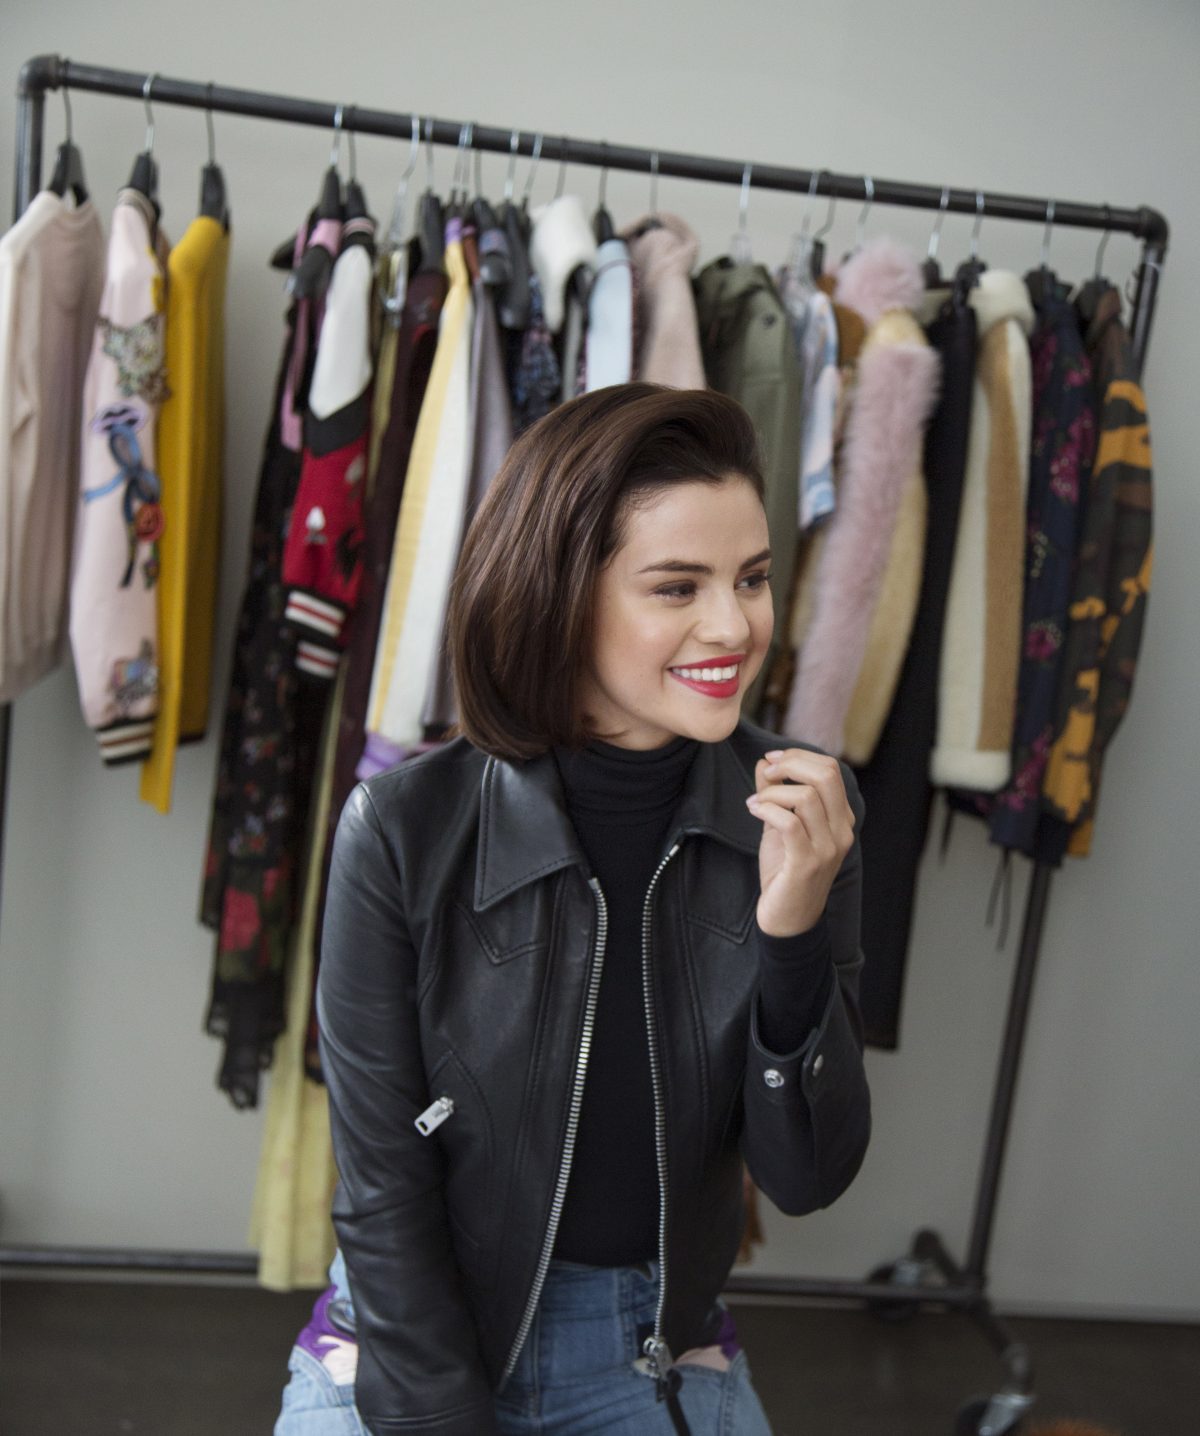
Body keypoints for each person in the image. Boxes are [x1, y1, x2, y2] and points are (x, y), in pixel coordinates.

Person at [275, 383, 871, 1435]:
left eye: (752, 577)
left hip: (645, 1343)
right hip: (410, 1335)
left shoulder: (802, 813)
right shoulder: (403, 830)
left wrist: (792, 933)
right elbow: (383, 1189)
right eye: (677, 586)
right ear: (559, 594)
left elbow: (806, 1176)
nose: (734, 624)